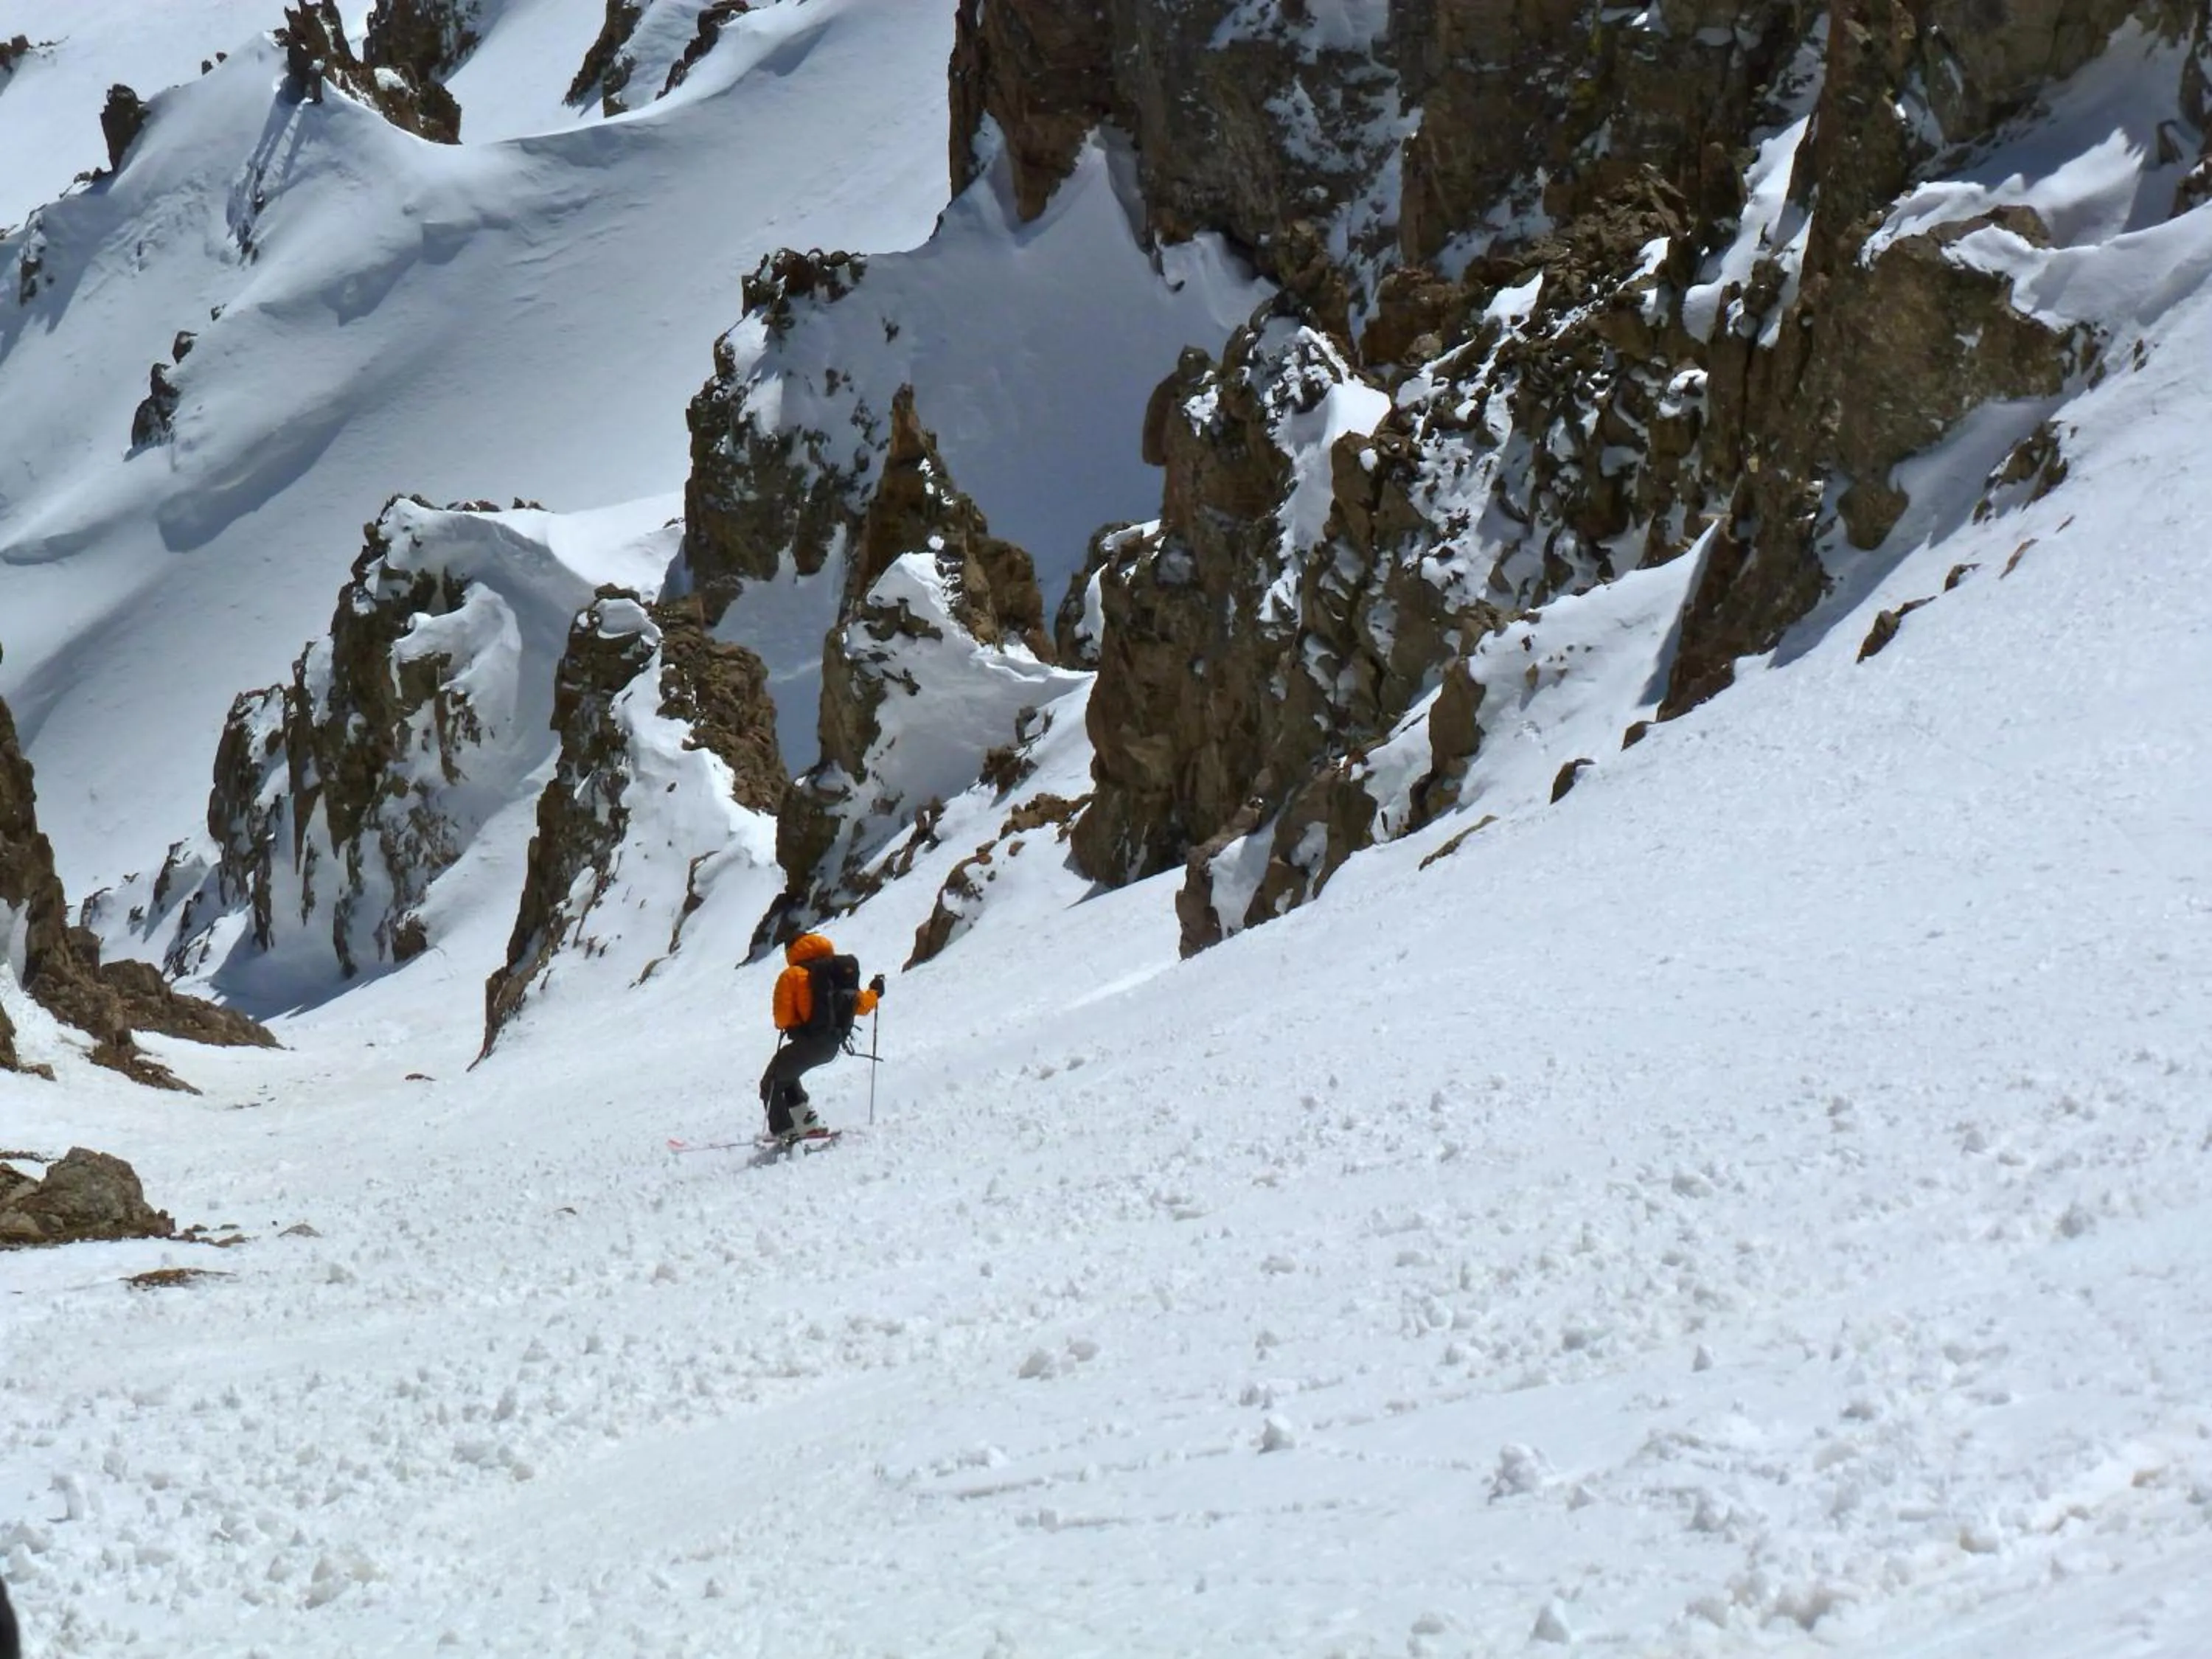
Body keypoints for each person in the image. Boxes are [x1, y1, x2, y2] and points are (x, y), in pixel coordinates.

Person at [757, 931, 883, 1138]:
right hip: (833, 1044)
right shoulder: (836, 972)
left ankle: (785, 1131)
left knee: (770, 1083)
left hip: (809, 1043)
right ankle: (807, 1122)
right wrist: (875, 993)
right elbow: (861, 1006)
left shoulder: (793, 975)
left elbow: (782, 1019)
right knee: (786, 1074)